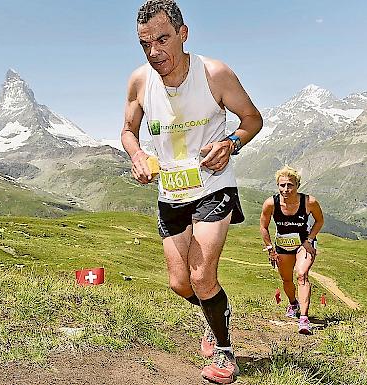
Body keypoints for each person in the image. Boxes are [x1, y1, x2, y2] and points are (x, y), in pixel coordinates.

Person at [121, 1, 263, 383]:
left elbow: (252, 119)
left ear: (183, 35)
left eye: (163, 39)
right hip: (170, 192)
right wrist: (136, 155)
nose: (154, 52)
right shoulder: (139, 81)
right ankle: (211, 315)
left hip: (213, 186)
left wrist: (230, 142)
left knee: (202, 277)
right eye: (145, 43)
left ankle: (224, 350)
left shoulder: (214, 73)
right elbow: (128, 131)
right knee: (180, 283)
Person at [259, 166, 324, 335]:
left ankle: (304, 319)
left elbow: (319, 220)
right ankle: (293, 303)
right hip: (282, 245)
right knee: (287, 280)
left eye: (290, 185)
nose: (286, 189)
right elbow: (263, 226)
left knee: (301, 274)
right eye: (282, 185)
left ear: (297, 186)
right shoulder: (271, 203)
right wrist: (270, 249)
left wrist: (310, 239)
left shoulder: (309, 202)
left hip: (304, 243)